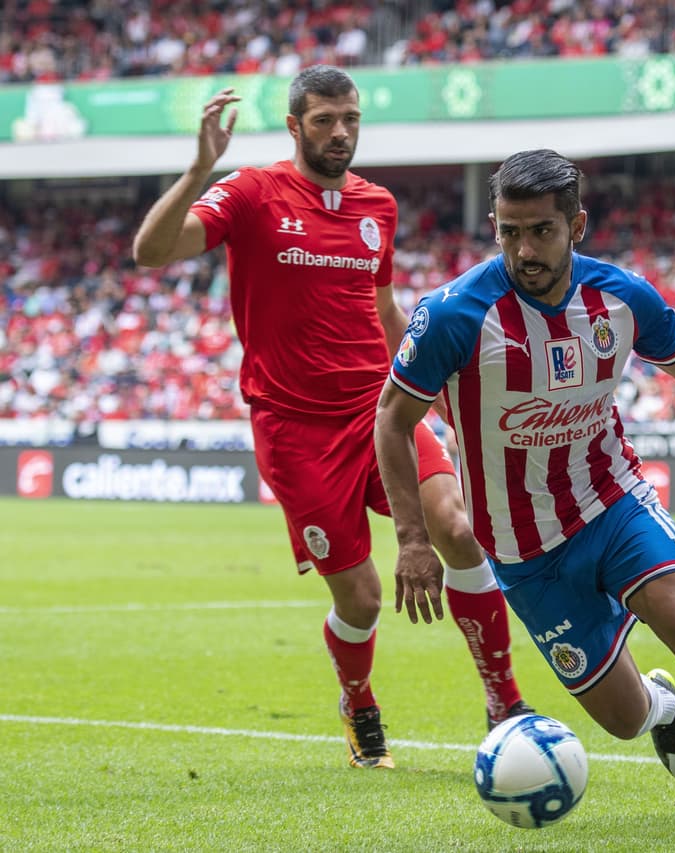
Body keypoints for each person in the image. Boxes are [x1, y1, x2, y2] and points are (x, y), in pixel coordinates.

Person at [374, 149, 675, 838]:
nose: (524, 249)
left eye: (541, 231)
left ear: (577, 224)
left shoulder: (620, 296)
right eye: (509, 231)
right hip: (526, 550)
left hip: (611, 500)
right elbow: (393, 418)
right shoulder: (454, 315)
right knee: (621, 717)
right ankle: (663, 710)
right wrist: (412, 538)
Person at [131, 66, 532, 770]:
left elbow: (382, 310)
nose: (340, 131)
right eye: (323, 120)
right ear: (294, 126)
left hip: (380, 410)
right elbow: (150, 252)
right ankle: (358, 699)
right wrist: (199, 168)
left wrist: (432, 386)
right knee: (364, 595)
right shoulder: (252, 193)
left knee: (459, 529)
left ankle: (505, 700)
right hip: (295, 429)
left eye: (349, 118)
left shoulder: (378, 203)